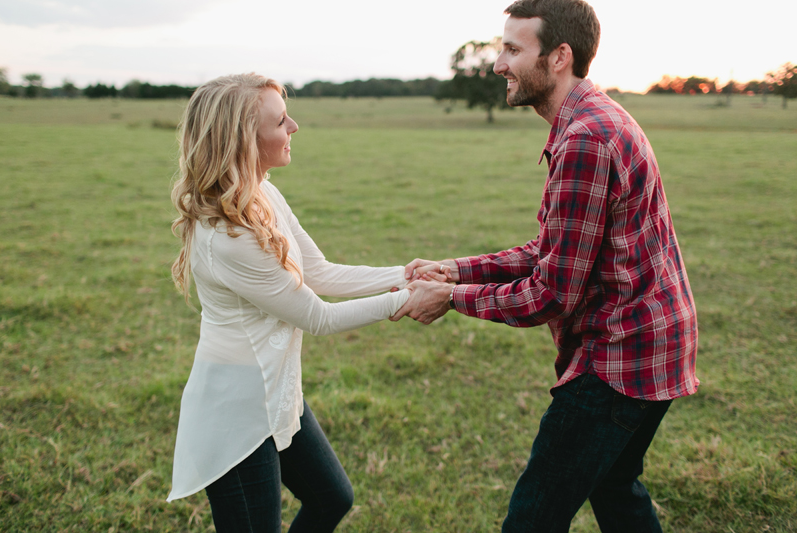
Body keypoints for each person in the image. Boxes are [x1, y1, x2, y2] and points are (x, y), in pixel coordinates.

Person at [392, 0, 699, 531]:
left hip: (620, 357)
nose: (498, 65)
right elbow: (554, 251)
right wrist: (458, 269)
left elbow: (551, 294)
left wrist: (450, 298)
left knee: (532, 518)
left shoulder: (585, 137)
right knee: (616, 489)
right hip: (657, 342)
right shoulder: (591, 119)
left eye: (513, 49)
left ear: (559, 56)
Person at [166, 73, 411, 532]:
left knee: (332, 498)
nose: (294, 126)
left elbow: (319, 272)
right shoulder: (228, 236)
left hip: (278, 392)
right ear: (244, 140)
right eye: (280, 121)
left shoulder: (261, 194)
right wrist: (407, 300)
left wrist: (406, 273)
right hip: (236, 415)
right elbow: (318, 315)